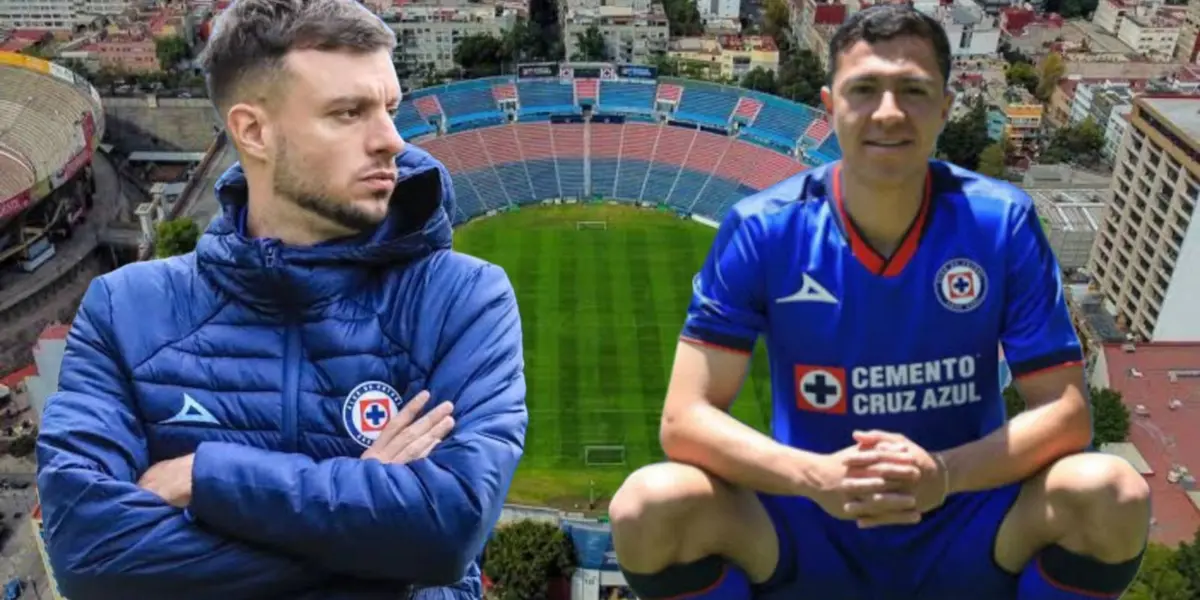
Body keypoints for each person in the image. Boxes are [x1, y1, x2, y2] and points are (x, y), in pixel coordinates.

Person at [608, 5, 1150, 600]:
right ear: (828, 104)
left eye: (913, 90)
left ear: (945, 107)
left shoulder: (1001, 223)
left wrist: (943, 475)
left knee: (1111, 493)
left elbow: (1067, 414)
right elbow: (684, 420)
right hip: (809, 520)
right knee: (648, 507)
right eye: (864, 89)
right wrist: (815, 476)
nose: (888, 112)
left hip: (966, 518)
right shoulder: (763, 229)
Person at [34, 0, 527, 598]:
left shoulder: (464, 299)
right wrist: (372, 525)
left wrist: (204, 477)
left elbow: (448, 533)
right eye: (349, 113)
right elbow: (89, 554)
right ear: (253, 131)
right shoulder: (125, 311)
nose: (392, 141)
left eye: (390, 109)